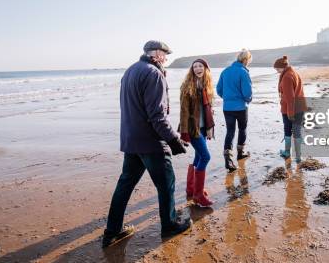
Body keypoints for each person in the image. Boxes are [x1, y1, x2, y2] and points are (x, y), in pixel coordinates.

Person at [103, 40, 191, 248]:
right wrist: (174, 140)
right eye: (165, 55)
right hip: (151, 143)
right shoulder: (153, 73)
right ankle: (169, 225)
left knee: (124, 185)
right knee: (166, 184)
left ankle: (112, 232)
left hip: (132, 140)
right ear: (158, 54)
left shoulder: (130, 71)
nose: (166, 59)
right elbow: (157, 116)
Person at [178, 58, 215, 208]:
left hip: (202, 127)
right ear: (192, 70)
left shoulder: (206, 86)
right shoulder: (188, 86)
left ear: (206, 68)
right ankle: (198, 195)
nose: (197, 69)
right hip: (192, 128)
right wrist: (184, 133)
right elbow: (184, 111)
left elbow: (209, 110)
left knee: (199, 156)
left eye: (200, 66)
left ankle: (191, 188)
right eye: (195, 67)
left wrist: (210, 128)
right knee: (206, 157)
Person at [216, 49, 253, 171]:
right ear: (246, 60)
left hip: (227, 107)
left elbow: (219, 89)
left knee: (230, 131)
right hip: (241, 107)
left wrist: (227, 98)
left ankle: (228, 159)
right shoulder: (243, 72)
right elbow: (247, 92)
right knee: (242, 129)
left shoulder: (225, 71)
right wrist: (247, 99)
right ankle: (240, 153)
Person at [273, 55, 307, 164]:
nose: (277, 71)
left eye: (277, 69)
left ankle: (287, 152)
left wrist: (290, 113)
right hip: (300, 107)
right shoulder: (294, 73)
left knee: (288, 130)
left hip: (290, 109)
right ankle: (298, 157)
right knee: (297, 132)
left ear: (283, 67)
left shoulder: (287, 77)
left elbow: (290, 98)